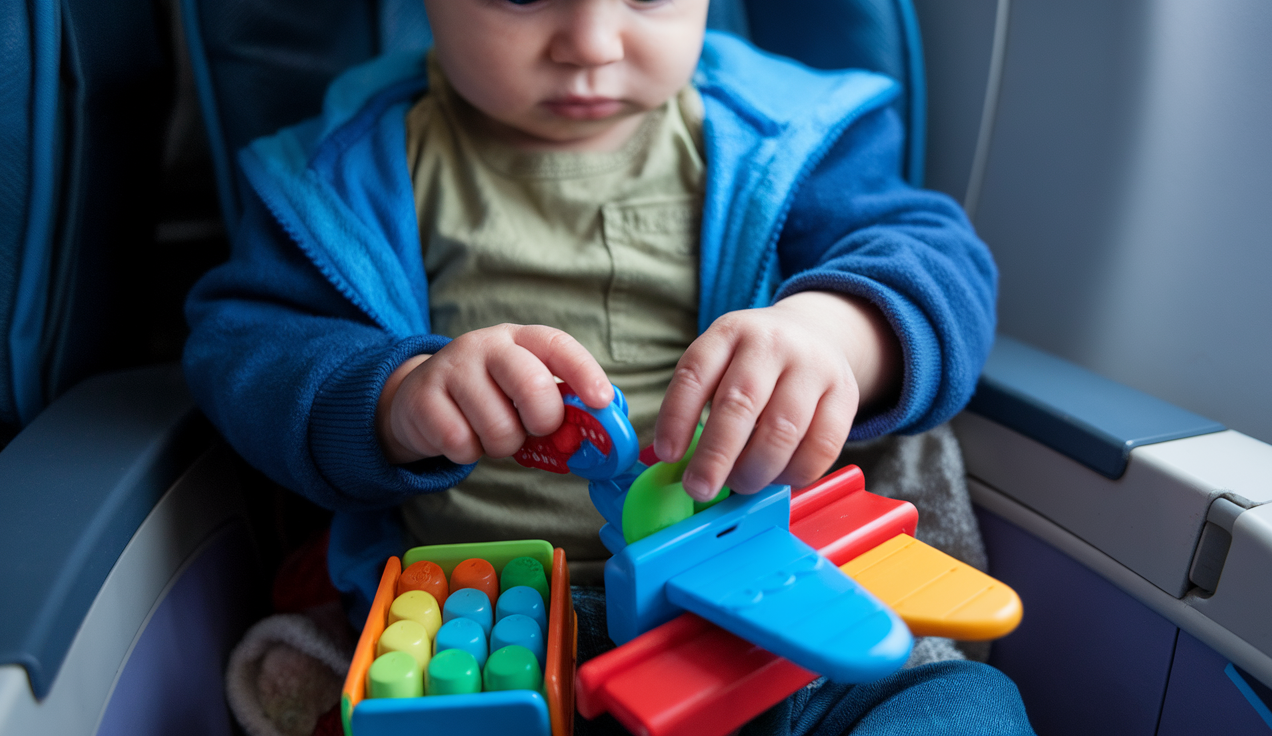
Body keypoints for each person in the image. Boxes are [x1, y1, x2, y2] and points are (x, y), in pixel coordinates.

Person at [185, 0, 1031, 732]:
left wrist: (836, 333)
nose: (590, 43)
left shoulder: (790, 134)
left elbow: (937, 261)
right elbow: (247, 346)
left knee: (962, 707)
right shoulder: (336, 173)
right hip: (480, 633)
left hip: (760, 618)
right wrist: (395, 398)